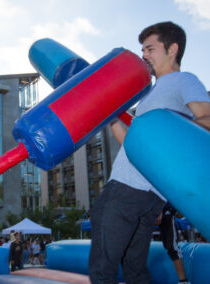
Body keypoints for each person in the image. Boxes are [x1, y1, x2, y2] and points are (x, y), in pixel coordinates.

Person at [88, 21, 210, 284]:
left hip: (127, 190)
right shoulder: (152, 94)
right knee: (134, 270)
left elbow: (207, 119)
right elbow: (134, 144)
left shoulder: (183, 80)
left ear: (172, 49)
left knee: (102, 269)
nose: (144, 55)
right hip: (147, 194)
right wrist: (109, 117)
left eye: (150, 48)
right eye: (142, 50)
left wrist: (168, 137)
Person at [157, 203, 188, 283]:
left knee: (172, 246)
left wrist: (159, 209)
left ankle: (183, 281)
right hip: (143, 204)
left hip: (164, 208)